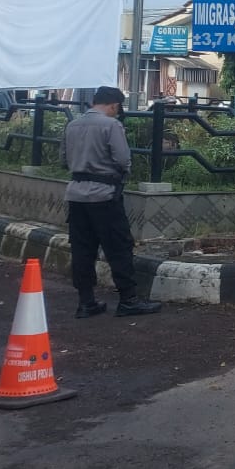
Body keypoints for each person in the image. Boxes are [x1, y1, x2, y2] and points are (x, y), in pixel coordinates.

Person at [63, 86, 162, 318]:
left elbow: (64, 159)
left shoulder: (72, 125)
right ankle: (128, 300)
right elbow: (123, 159)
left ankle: (86, 302)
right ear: (114, 105)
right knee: (119, 247)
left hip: (75, 195)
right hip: (104, 195)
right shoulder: (111, 125)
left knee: (82, 249)